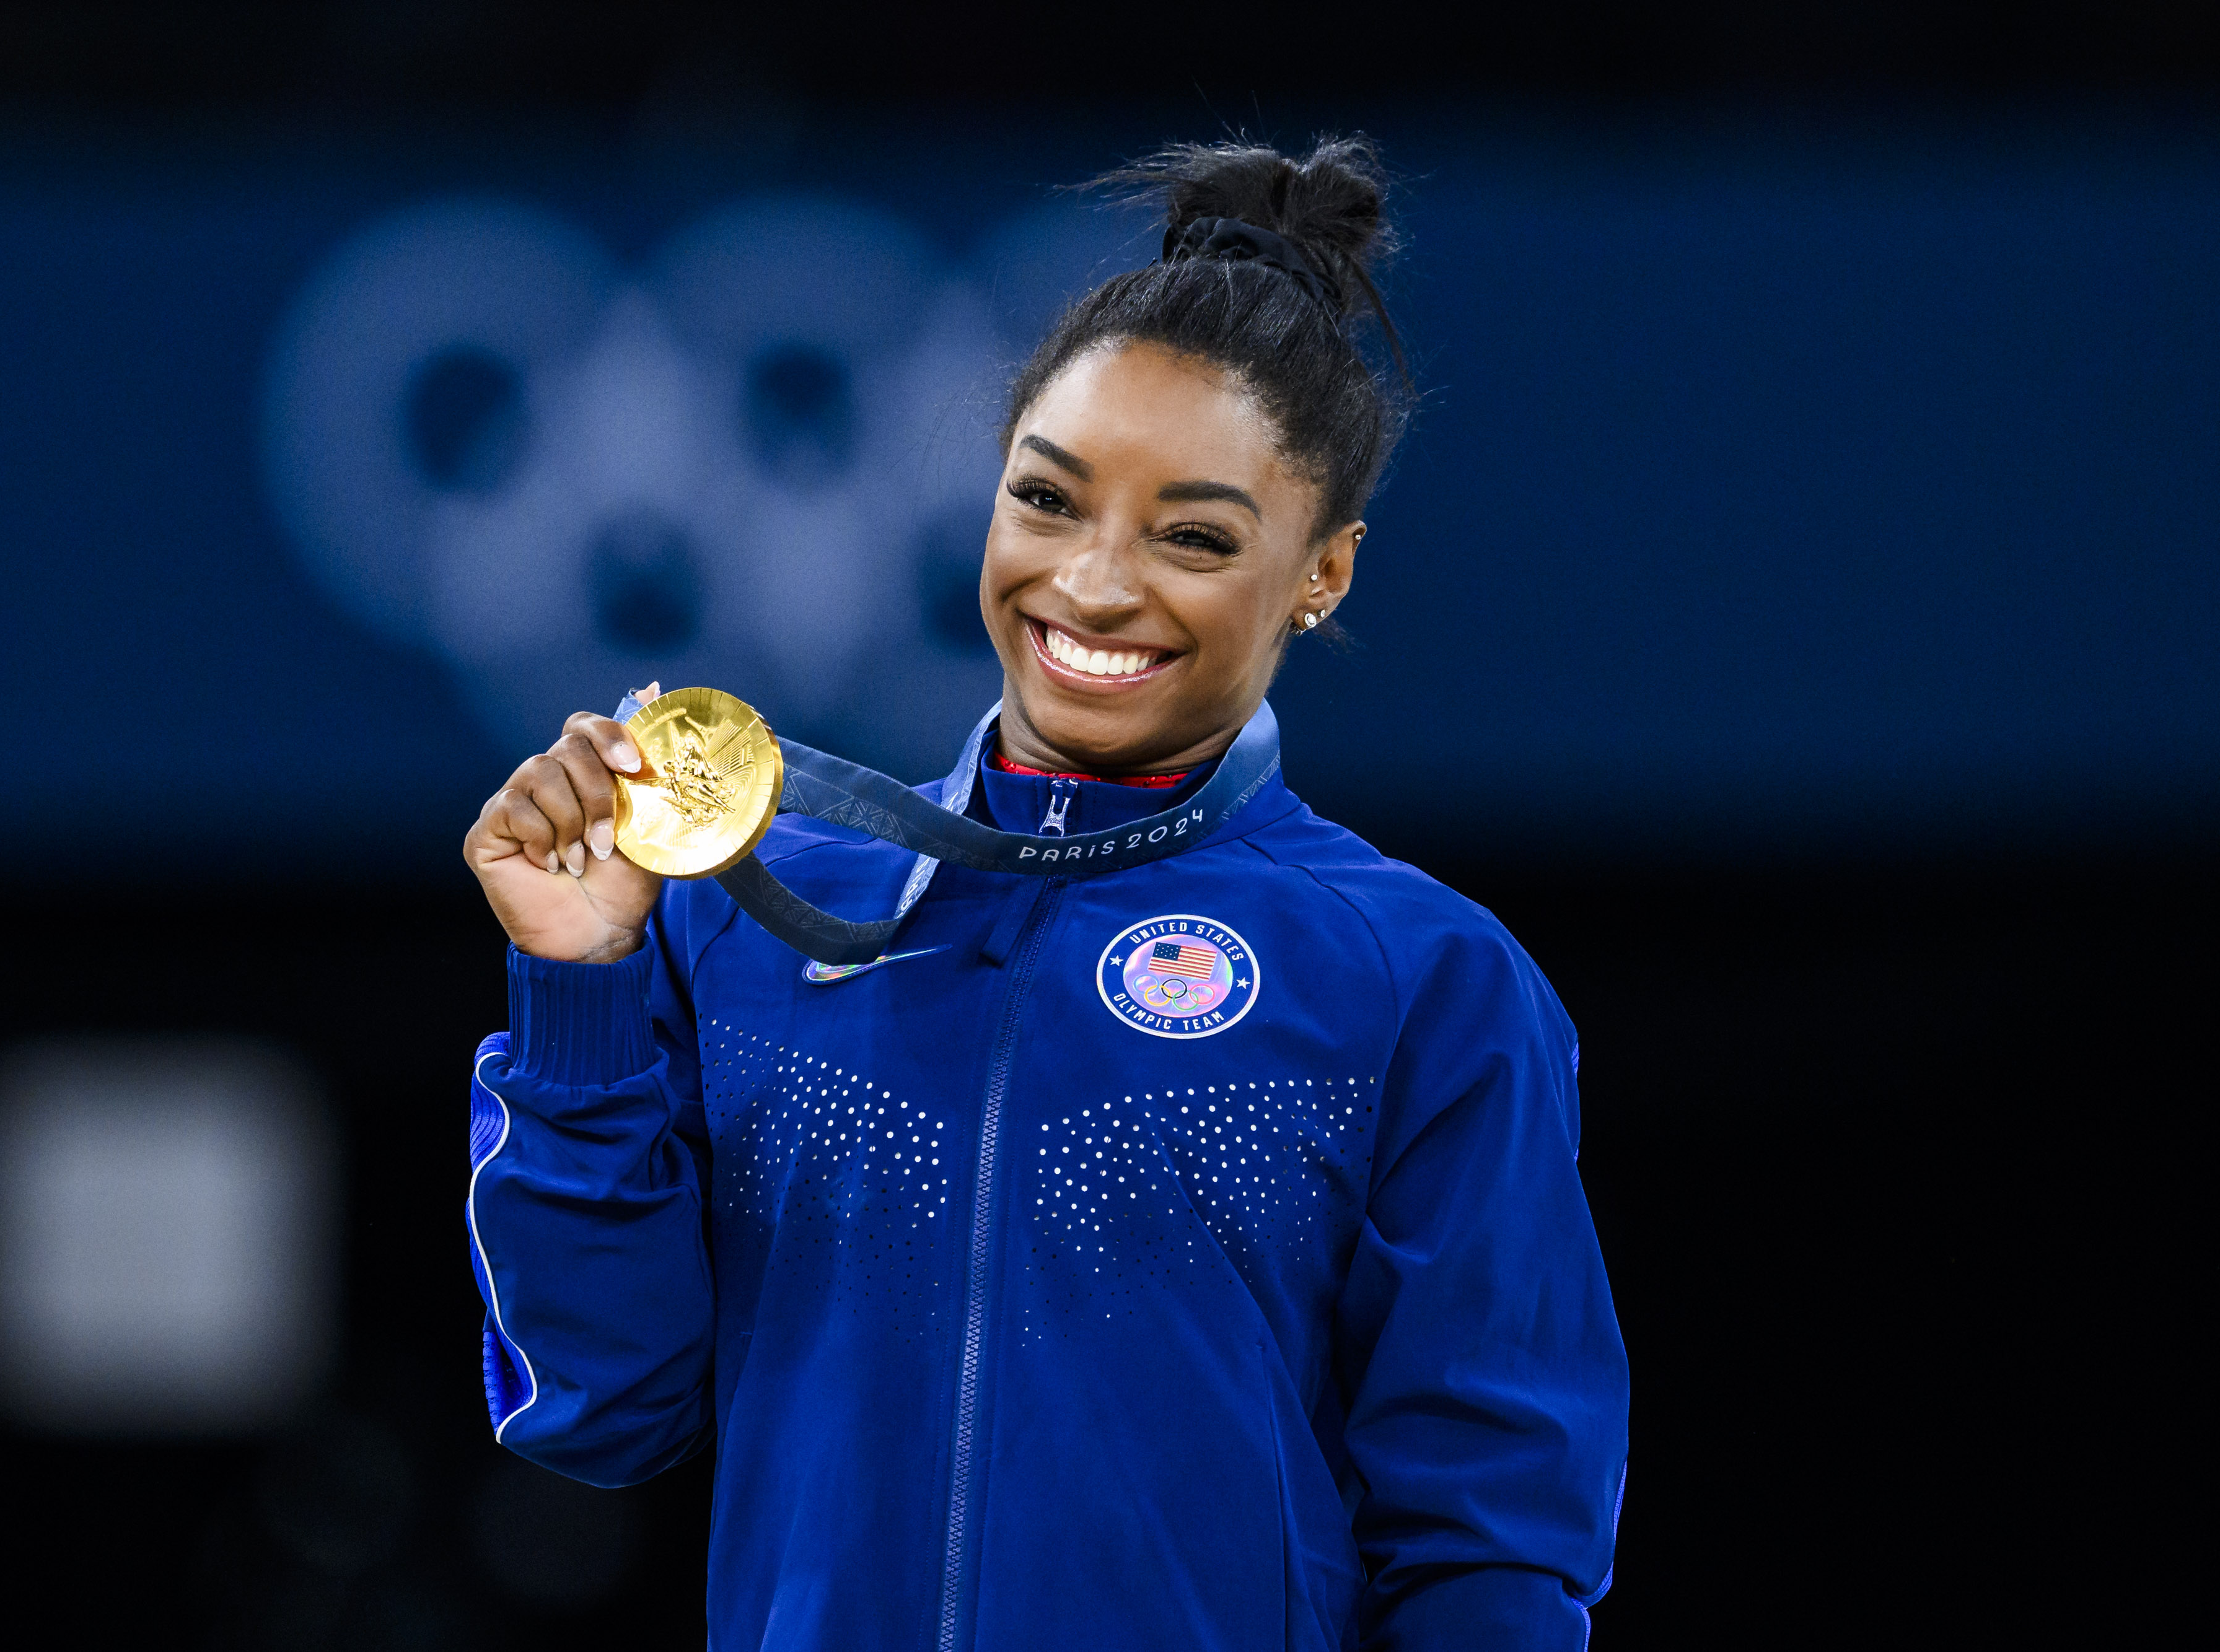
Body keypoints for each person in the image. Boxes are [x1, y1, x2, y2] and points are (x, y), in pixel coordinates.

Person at [460, 135, 1629, 1650]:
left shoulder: (1418, 975)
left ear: (1321, 572)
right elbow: (595, 1406)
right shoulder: (744, 905)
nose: (1090, 583)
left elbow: (1491, 1551)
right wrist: (578, 986)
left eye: (1194, 537)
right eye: (1048, 501)